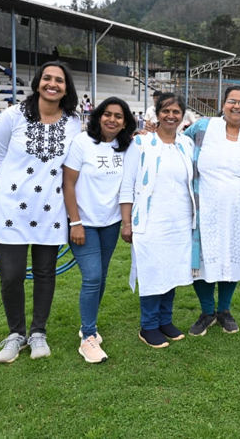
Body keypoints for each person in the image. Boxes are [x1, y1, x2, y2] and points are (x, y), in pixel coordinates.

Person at [0, 61, 80, 363]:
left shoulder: (73, 122)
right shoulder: (13, 115)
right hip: (11, 209)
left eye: (59, 80)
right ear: (38, 82)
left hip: (51, 210)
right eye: (47, 78)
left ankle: (38, 332)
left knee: (44, 273)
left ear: (66, 88)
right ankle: (16, 334)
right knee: (11, 276)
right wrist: (15, 185)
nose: (52, 84)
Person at [63, 97, 136, 363]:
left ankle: (89, 326)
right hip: (83, 224)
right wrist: (75, 222)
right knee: (92, 276)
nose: (112, 120)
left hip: (110, 223)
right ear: (98, 116)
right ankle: (88, 338)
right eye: (107, 114)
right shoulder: (82, 143)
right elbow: (68, 184)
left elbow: (128, 185)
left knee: (101, 277)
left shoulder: (127, 147)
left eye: (118, 116)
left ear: (125, 122)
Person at [119, 92, 195, 349]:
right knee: (152, 270)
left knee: (171, 270)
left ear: (182, 116)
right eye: (166, 111)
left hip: (180, 221)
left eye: (176, 112)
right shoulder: (141, 143)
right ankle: (149, 325)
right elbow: (127, 184)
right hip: (150, 221)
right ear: (157, 113)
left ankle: (165, 320)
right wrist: (127, 222)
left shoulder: (186, 144)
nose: (171, 116)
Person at [185, 85, 240, 336]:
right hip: (206, 206)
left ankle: (225, 310)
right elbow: (177, 144)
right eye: (231, 101)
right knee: (203, 258)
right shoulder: (204, 127)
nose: (236, 106)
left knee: (233, 255)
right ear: (223, 104)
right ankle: (207, 311)